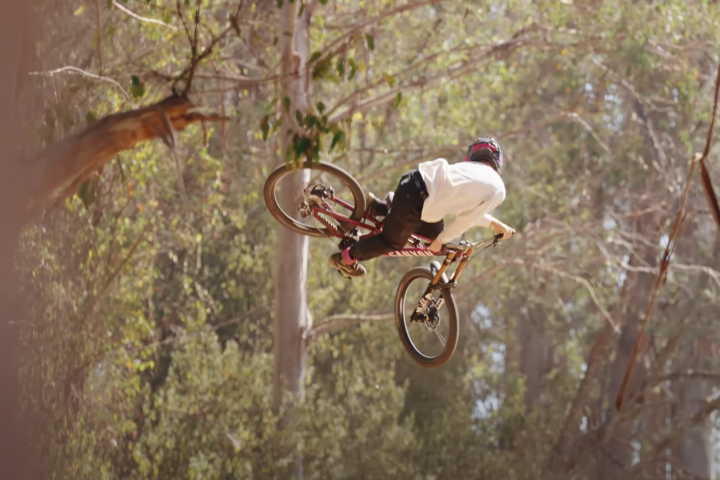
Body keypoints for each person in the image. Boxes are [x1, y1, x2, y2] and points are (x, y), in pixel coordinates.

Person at [329, 137, 515, 278]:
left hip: (414, 186)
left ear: (473, 155)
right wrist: (441, 240)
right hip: (417, 200)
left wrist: (493, 223)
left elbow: (468, 214)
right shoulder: (498, 188)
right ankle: (346, 258)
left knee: (432, 237)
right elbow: (466, 219)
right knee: (392, 242)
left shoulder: (472, 172)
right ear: (497, 162)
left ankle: (379, 208)